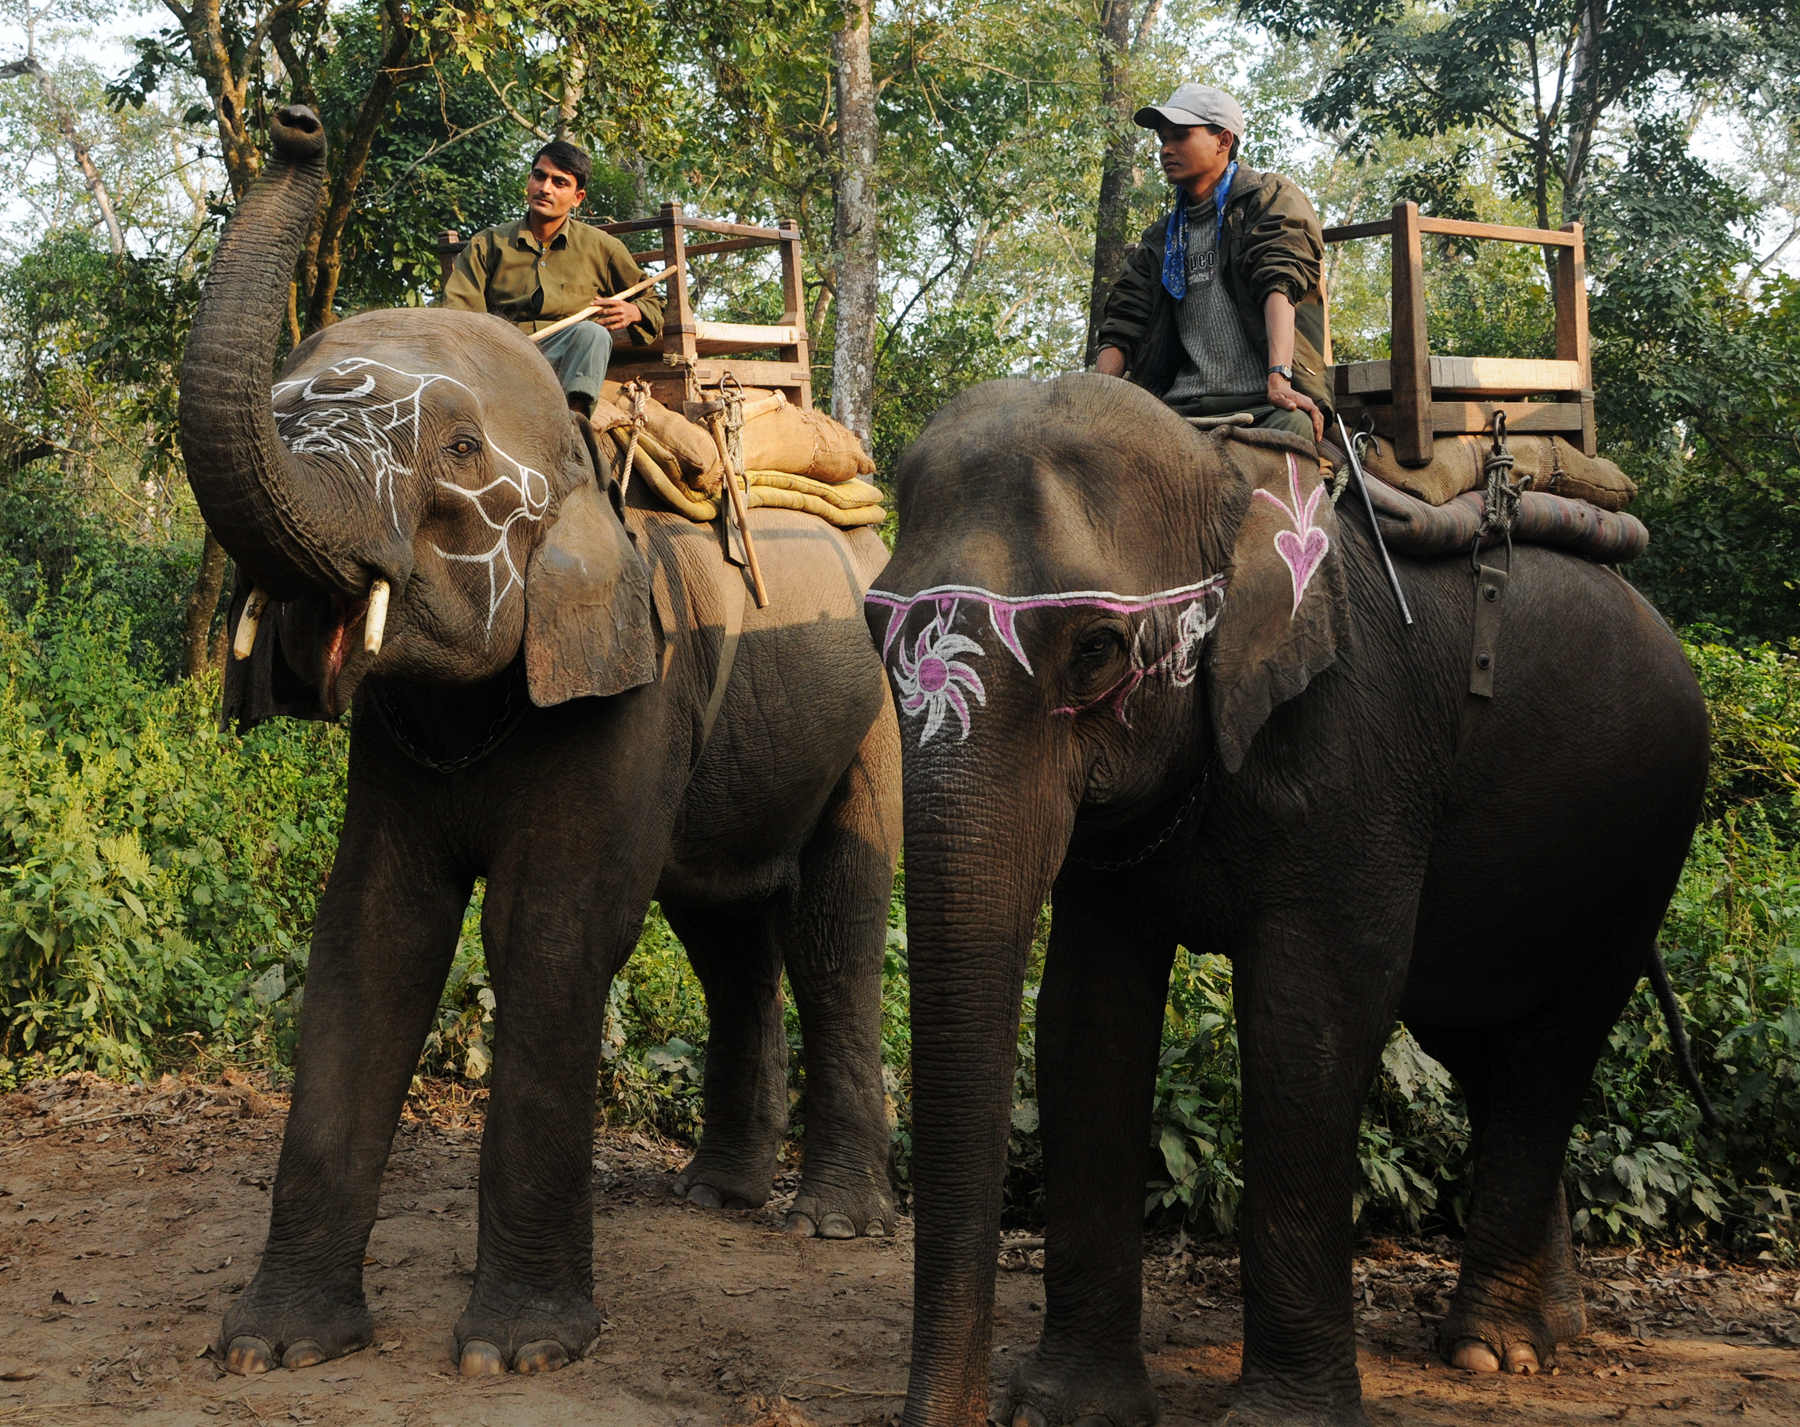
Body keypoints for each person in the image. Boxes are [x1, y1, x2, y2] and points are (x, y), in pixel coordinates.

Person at [1094, 83, 1328, 442]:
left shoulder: (1268, 199)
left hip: (1261, 403)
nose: (1166, 149)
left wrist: (1280, 378)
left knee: (1292, 431)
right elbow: (1124, 321)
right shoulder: (1161, 238)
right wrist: (1094, 404)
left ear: (1223, 141)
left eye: (1180, 136)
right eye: (1163, 140)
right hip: (1179, 408)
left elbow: (1279, 281)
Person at [441, 140, 664, 417]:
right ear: (529, 181)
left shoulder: (603, 247)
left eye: (559, 182)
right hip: (501, 355)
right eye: (539, 176)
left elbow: (654, 302)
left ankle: (574, 423)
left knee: (592, 333)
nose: (545, 188)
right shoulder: (487, 244)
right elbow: (459, 315)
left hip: (564, 356)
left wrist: (634, 311)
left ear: (578, 197)